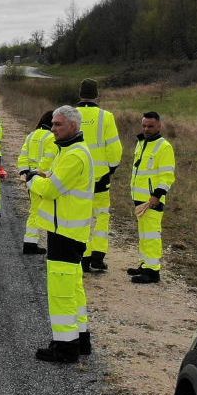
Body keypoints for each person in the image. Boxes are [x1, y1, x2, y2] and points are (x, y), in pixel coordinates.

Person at [27, 105, 95, 363]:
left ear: (74, 127)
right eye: (53, 124)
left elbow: (52, 189)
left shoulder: (74, 155)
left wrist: (32, 178)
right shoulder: (67, 151)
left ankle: (65, 347)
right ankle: (80, 339)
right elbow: (57, 180)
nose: (52, 129)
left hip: (66, 231)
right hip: (68, 229)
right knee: (74, 288)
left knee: (61, 292)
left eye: (58, 125)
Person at [76, 79, 121, 273]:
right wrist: (110, 169)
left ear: (80, 94)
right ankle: (97, 256)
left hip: (76, 177)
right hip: (100, 177)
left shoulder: (70, 114)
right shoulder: (106, 117)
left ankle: (83, 257)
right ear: (97, 95)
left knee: (81, 216)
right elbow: (114, 148)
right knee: (101, 216)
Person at [127, 111, 177, 284]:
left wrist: (157, 195)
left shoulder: (164, 147)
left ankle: (153, 271)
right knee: (143, 234)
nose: (146, 129)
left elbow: (167, 176)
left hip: (152, 200)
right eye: (144, 125)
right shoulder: (141, 143)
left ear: (159, 125)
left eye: (150, 126)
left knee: (152, 235)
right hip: (139, 198)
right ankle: (145, 264)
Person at [17, 111, 58, 254]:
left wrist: (24, 173)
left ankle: (30, 242)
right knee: (47, 212)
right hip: (42, 179)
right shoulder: (51, 137)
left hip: (30, 179)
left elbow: (23, 156)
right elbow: (48, 159)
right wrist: (40, 174)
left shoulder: (31, 135)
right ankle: (34, 243)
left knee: (34, 211)